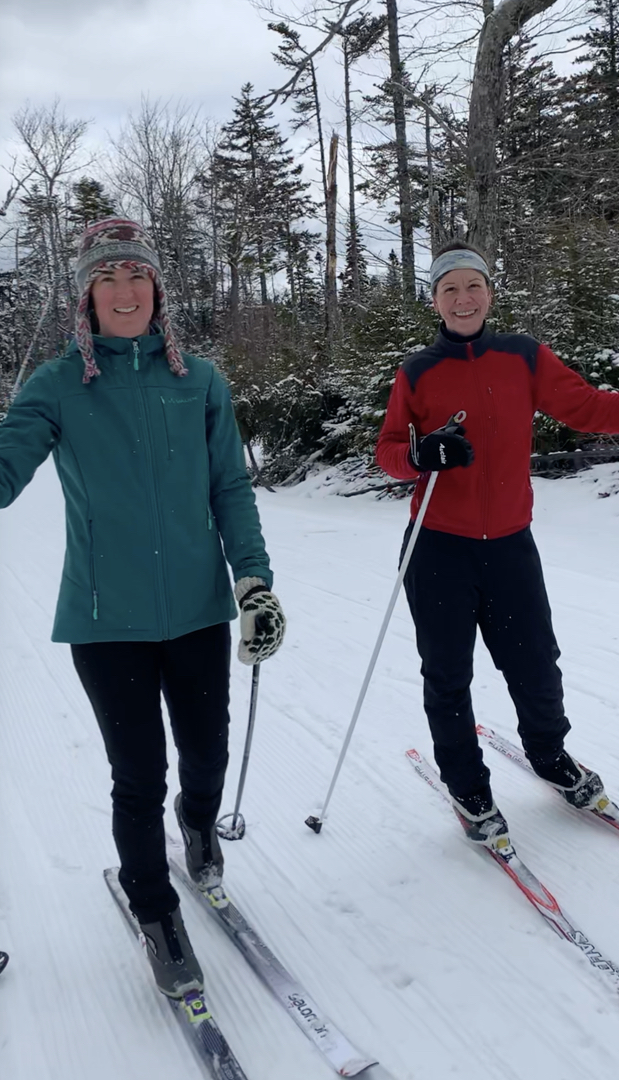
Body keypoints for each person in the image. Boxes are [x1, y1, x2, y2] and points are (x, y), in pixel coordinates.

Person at [0, 218, 286, 997]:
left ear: (158, 288)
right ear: (85, 296)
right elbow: (6, 466)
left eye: (136, 276)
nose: (124, 291)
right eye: (106, 278)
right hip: (106, 619)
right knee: (137, 775)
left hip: (197, 610)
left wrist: (252, 580)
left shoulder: (199, 379)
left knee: (207, 756)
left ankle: (199, 825)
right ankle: (155, 912)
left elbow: (229, 486)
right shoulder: (58, 385)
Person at [375, 242, 619, 846]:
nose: (463, 298)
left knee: (535, 664)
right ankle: (467, 785)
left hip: (509, 546)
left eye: (473, 286)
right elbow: (389, 450)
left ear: (490, 293)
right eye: (450, 289)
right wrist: (419, 456)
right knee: (448, 676)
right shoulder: (416, 371)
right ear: (435, 301)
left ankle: (550, 755)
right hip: (437, 549)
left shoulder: (523, 357)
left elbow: (591, 410)